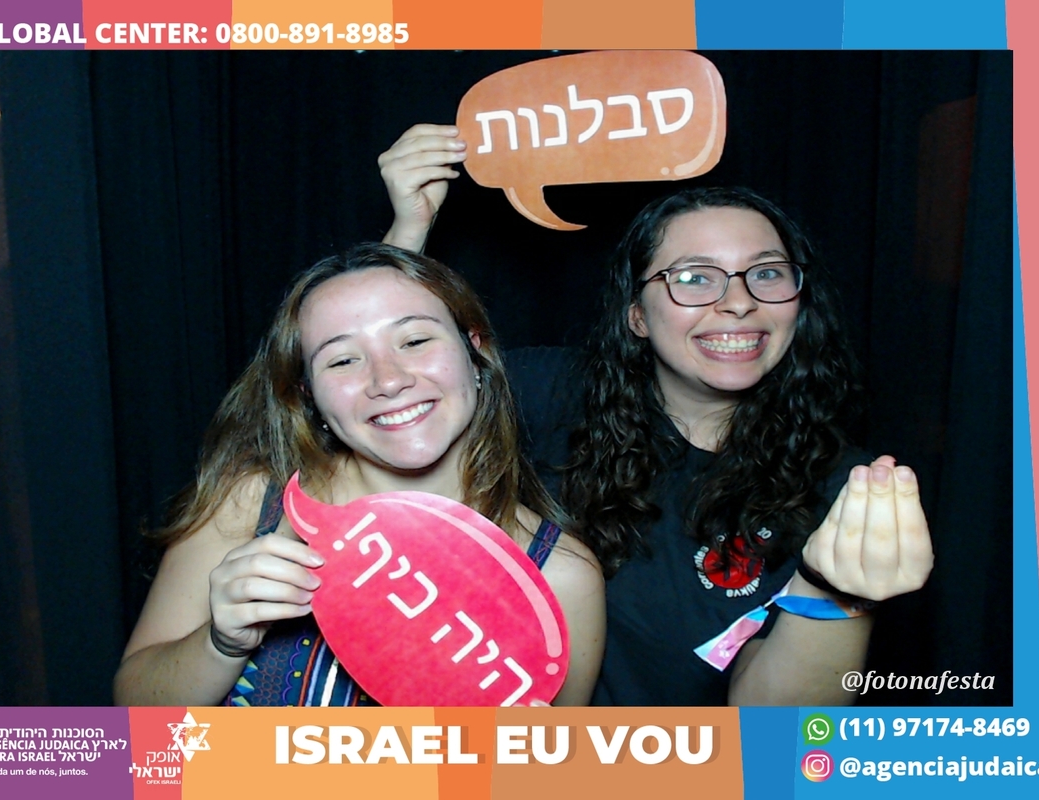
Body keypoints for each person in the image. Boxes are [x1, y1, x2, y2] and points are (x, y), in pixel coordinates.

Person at [378, 124, 934, 706]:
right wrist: (409, 231)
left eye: (767, 273)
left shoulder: (840, 487)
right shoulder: (548, 393)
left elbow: (771, 728)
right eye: (693, 278)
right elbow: (377, 387)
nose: (739, 301)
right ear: (636, 315)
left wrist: (835, 594)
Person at [113, 244, 605, 707]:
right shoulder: (251, 502)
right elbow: (132, 715)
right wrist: (220, 644)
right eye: (343, 360)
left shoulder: (560, 576)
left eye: (415, 340)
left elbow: (554, 761)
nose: (388, 380)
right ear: (309, 395)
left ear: (474, 352)